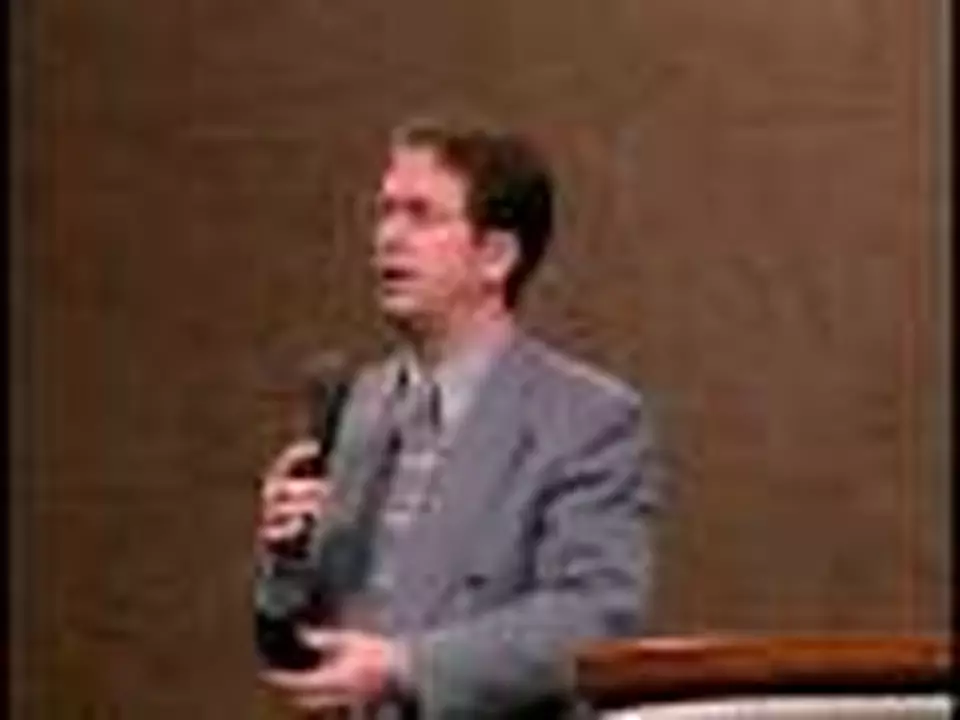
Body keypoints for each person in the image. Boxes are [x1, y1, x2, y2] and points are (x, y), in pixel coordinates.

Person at [255, 118, 664, 718]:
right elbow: (304, 645)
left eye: (420, 215)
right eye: (384, 212)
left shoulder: (587, 420)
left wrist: (408, 667)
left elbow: (593, 616)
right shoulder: (358, 406)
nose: (389, 237)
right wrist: (283, 562)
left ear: (496, 256)